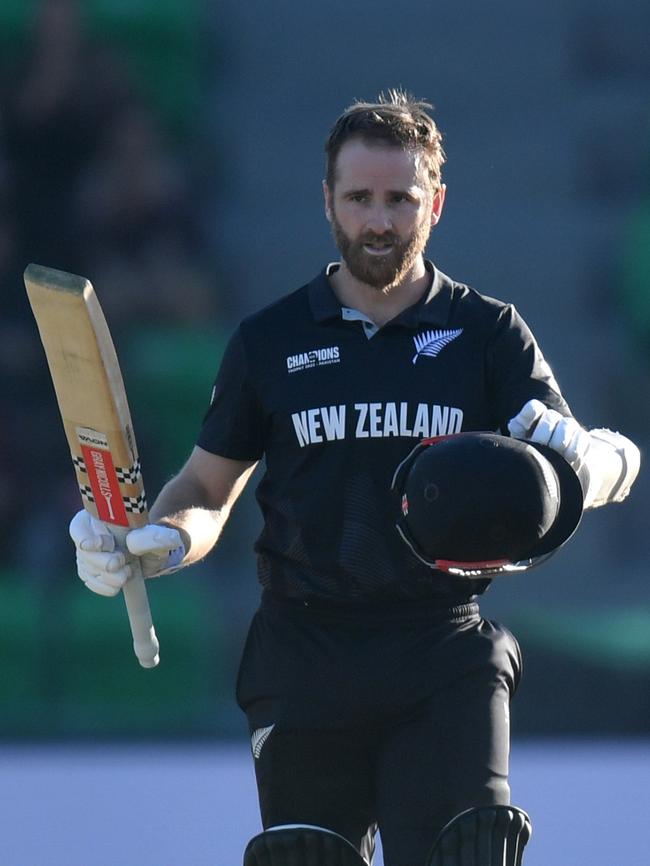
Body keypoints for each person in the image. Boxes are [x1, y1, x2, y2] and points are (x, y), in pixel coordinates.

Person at [69, 91, 640, 866]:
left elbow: (585, 471)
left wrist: (600, 457)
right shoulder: (268, 341)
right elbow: (206, 490)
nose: (379, 220)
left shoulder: (488, 333)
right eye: (360, 198)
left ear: (435, 203)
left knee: (466, 850)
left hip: (442, 650)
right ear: (327, 201)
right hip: (304, 653)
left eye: (400, 200)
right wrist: (157, 543)